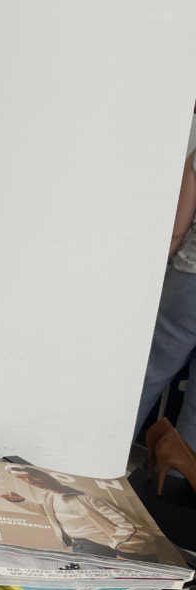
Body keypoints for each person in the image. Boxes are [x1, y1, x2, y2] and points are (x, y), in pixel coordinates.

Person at [133, 147, 196, 449]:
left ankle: (96, 463)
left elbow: (176, 230)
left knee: (146, 376)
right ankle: (174, 483)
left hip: (189, 282)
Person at [0, 465, 162, 562]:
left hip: (100, 546)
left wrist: (122, 552)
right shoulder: (49, 494)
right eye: (22, 480)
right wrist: (19, 501)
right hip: (80, 544)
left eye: (31, 477)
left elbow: (129, 526)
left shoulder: (87, 498)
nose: (30, 482)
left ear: (44, 474)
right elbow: (48, 511)